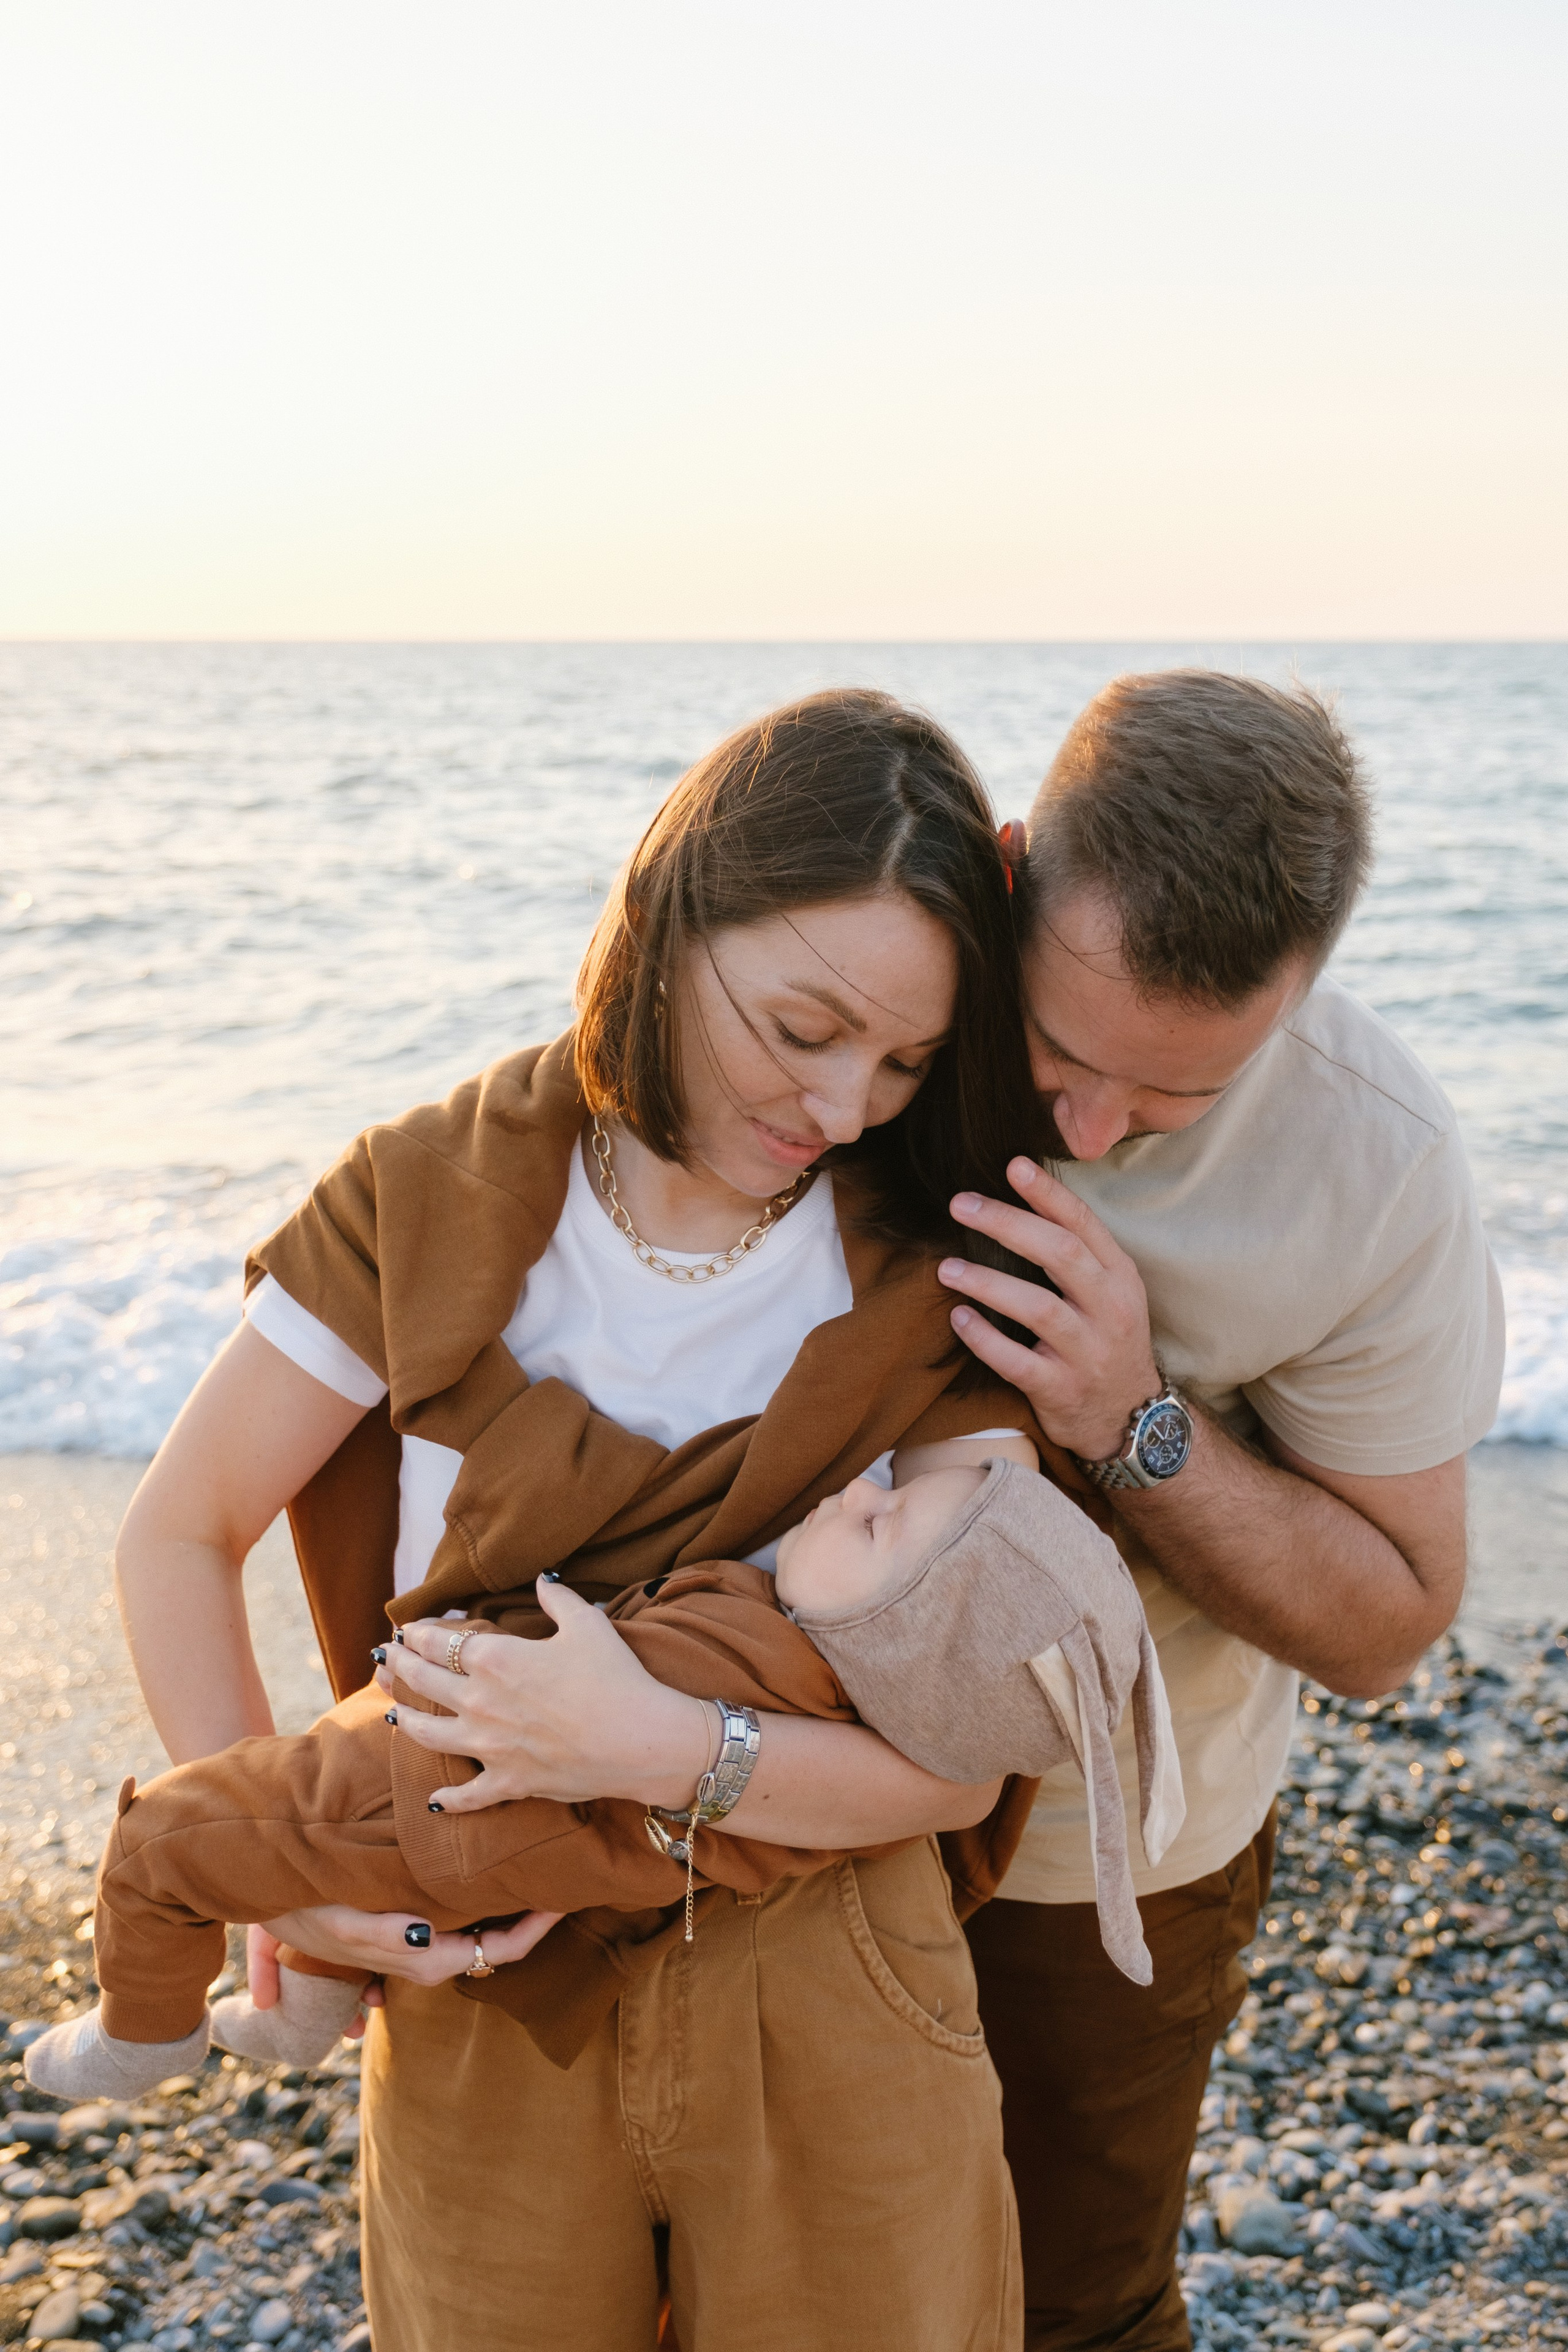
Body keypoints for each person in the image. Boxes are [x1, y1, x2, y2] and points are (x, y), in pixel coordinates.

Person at [105, 687, 1063, 2352]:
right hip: (483, 1982)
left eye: (905, 1060)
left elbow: (965, 1763)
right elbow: (179, 1532)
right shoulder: (434, 1194)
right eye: (802, 1028)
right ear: (674, 918)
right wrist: (286, 1884)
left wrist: (666, 1746)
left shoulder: (932, 1270)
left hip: (829, 1962)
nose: (844, 1109)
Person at [937, 669, 1505, 2350]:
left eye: (1175, 1096)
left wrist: (1138, 1426)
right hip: (737, 1796)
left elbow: (1394, 1623)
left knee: (1068, 2311)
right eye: (1054, 1052)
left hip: (1096, 1862)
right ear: (1011, 864)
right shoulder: (864, 950)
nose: (1093, 1129)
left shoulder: (1376, 1157)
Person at [26, 1447, 1184, 2100]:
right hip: (470, 1842)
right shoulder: (816, 1715)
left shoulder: (760, 1661)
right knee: (302, 1843)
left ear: (900, 1641)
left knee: (166, 1840)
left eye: (881, 1529)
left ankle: (146, 2031)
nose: (855, 1490)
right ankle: (303, 2007)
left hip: (436, 1798)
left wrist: (458, 1649)